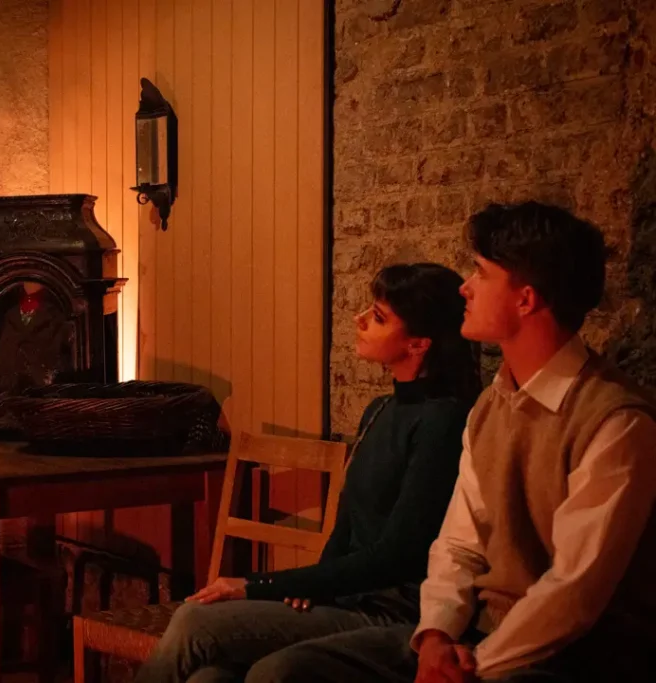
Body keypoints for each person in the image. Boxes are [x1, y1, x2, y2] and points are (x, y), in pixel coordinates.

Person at [285, 202, 656, 683]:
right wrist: (436, 637)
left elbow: (573, 592)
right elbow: (458, 544)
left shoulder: (616, 420)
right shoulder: (490, 405)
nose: (465, 287)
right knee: (289, 670)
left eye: (480, 273)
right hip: (473, 636)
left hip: (568, 657)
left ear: (525, 300)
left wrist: (477, 664)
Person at [134, 263, 481, 683]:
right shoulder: (380, 411)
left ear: (418, 344)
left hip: (397, 614)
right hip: (347, 600)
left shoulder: (442, 422)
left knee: (194, 621)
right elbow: (345, 529)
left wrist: (256, 583)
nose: (360, 320)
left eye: (379, 317)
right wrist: (312, 586)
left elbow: (397, 556)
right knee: (210, 677)